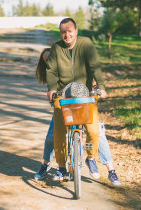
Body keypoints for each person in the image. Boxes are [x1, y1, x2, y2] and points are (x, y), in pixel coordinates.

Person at [46, 17, 120, 183]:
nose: (67, 35)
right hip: (63, 96)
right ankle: (61, 168)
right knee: (58, 132)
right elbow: (51, 71)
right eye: (63, 32)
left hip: (85, 94)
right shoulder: (56, 48)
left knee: (94, 131)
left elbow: (95, 66)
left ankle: (91, 157)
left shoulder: (86, 44)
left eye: (70, 31)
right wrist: (51, 89)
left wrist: (100, 86)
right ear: (60, 33)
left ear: (76, 31)